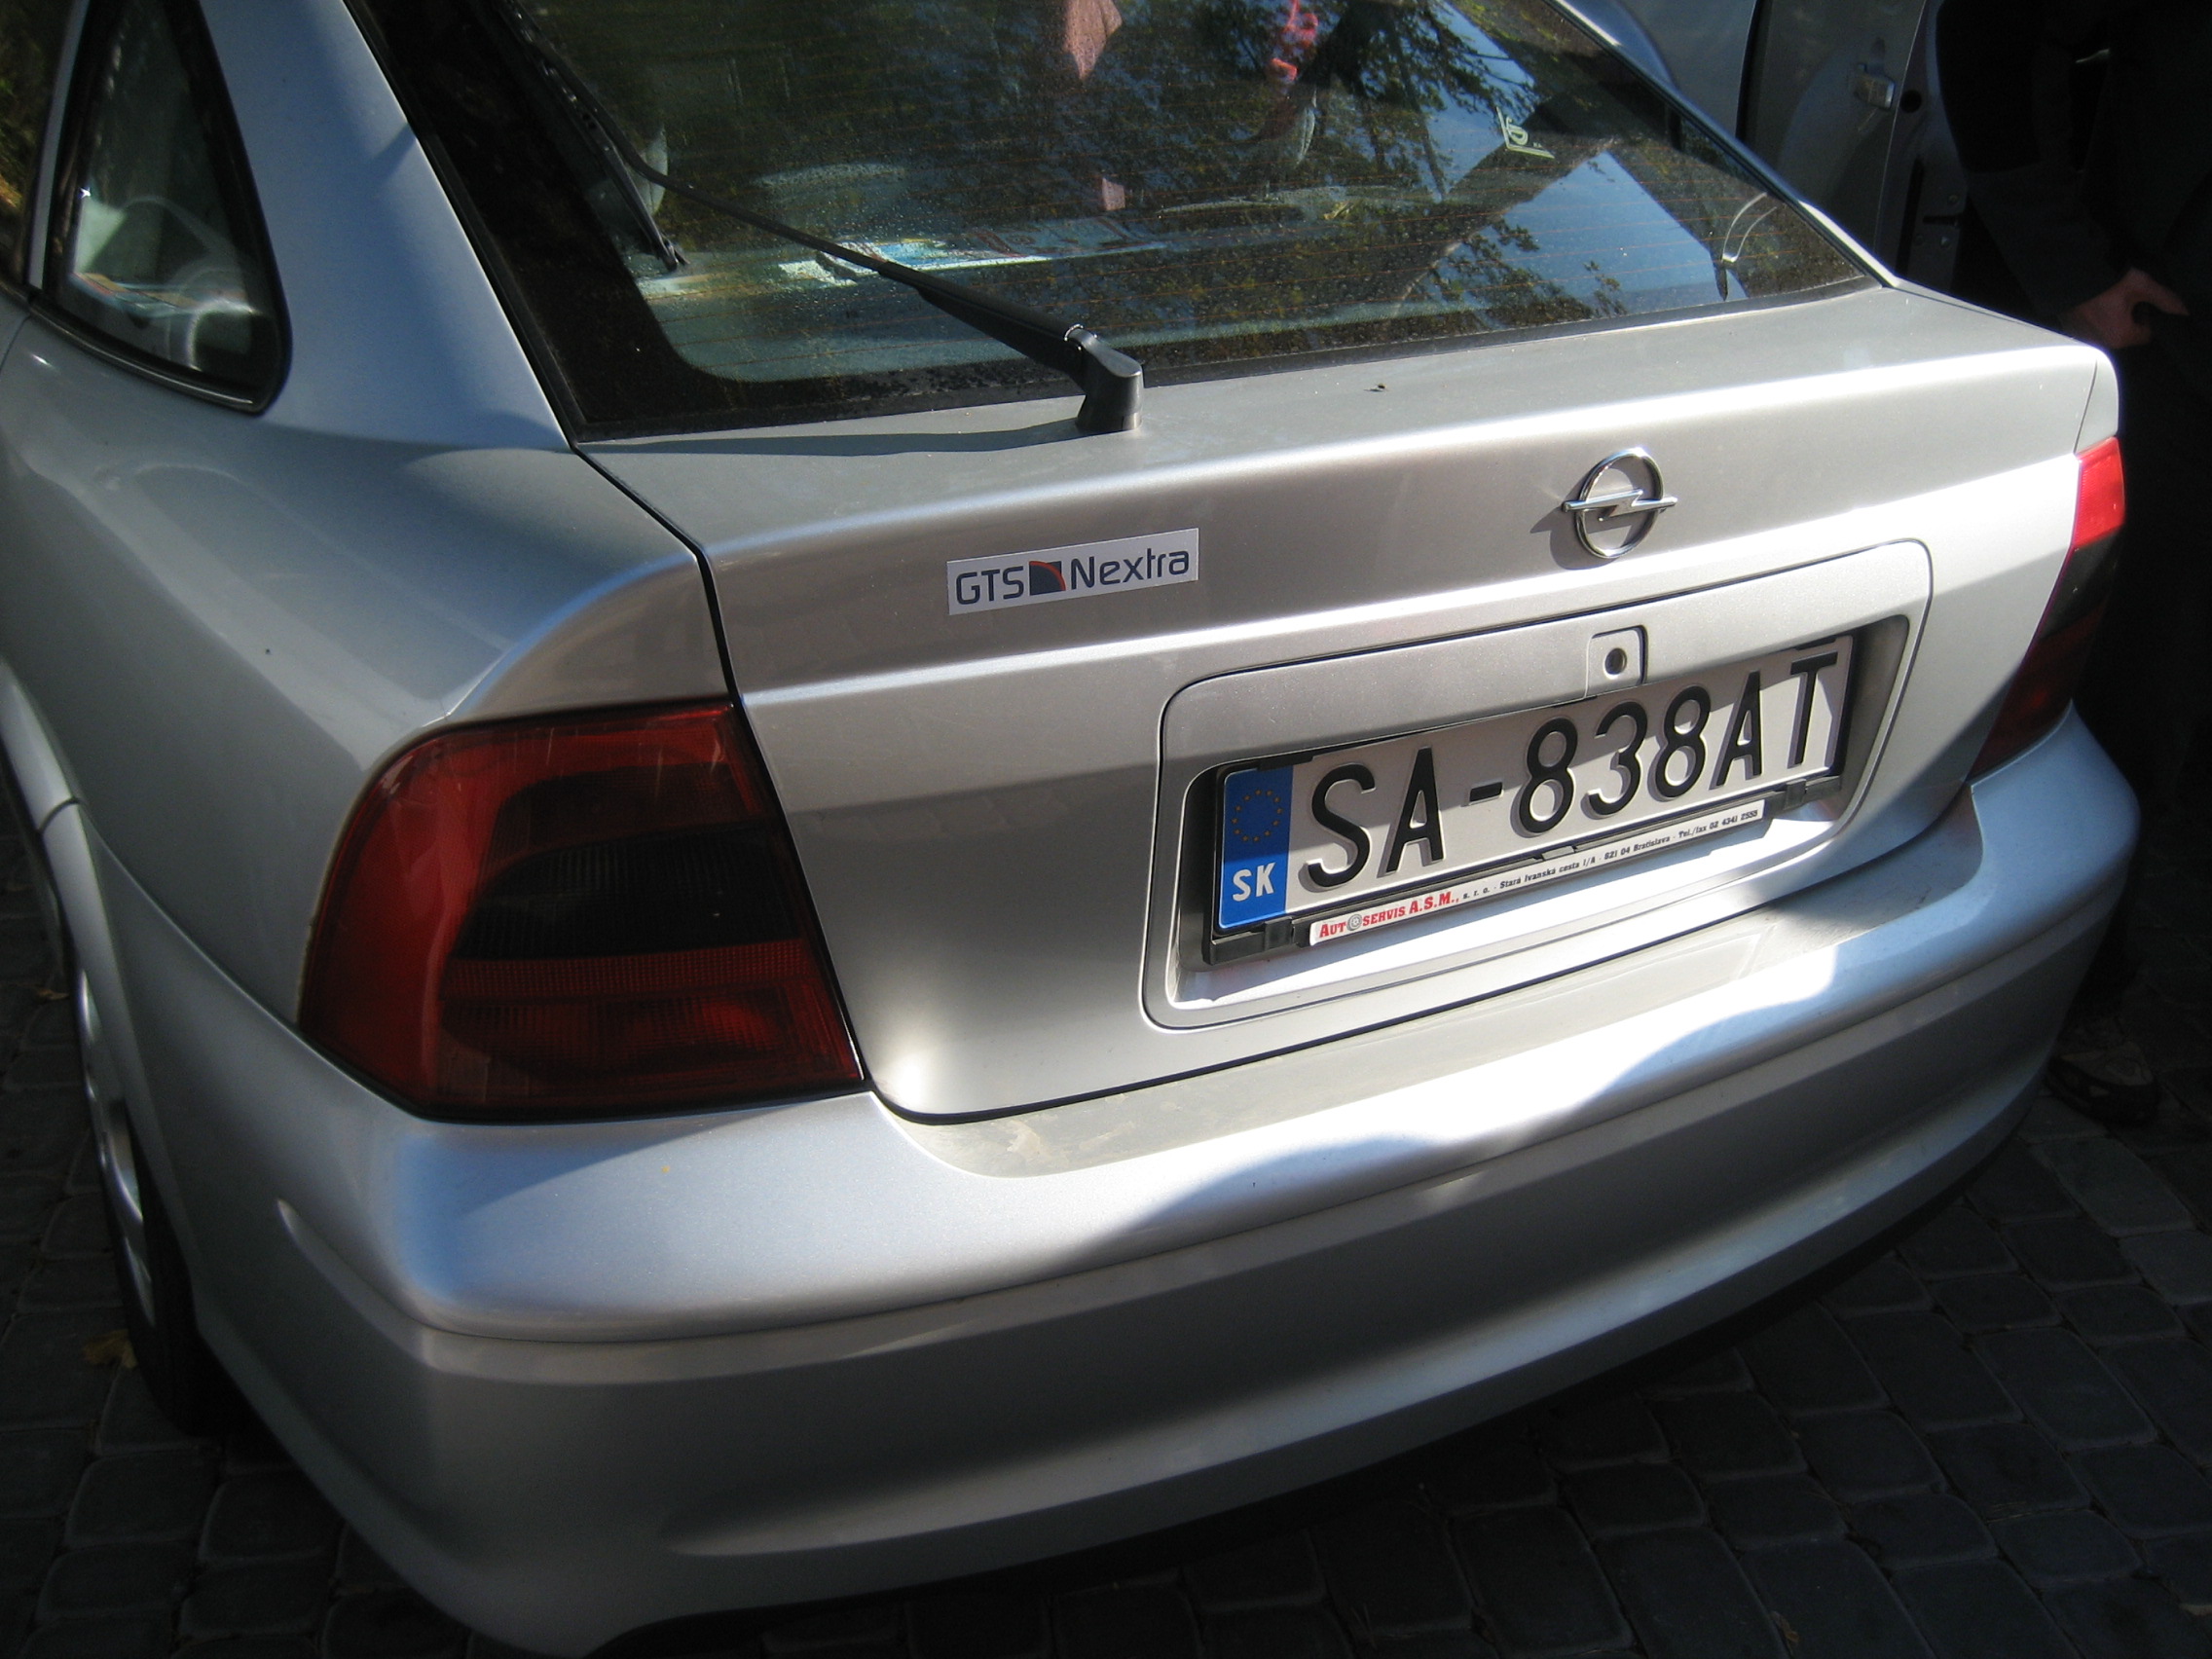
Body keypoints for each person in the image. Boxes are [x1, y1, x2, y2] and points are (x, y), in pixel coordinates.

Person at [1937, 0, 2212, 1124]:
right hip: (2184, 356)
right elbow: (1992, 34)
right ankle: (2076, 985)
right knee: (2137, 693)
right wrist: (2068, 264)